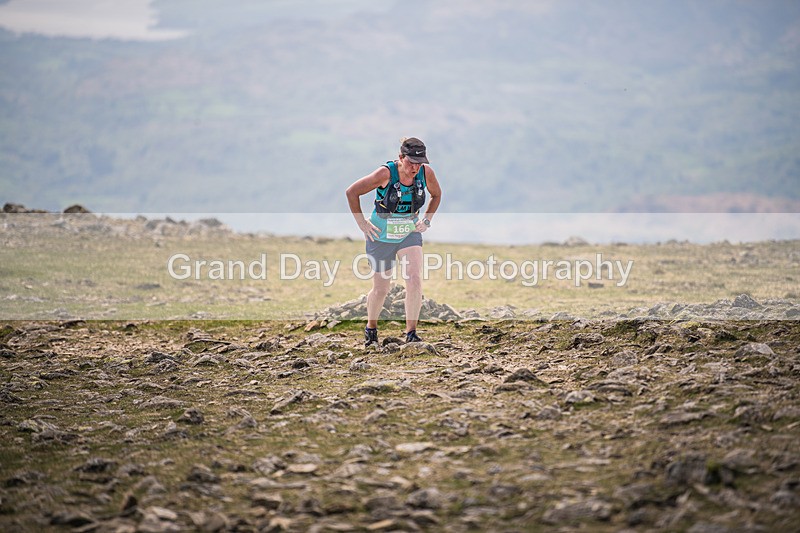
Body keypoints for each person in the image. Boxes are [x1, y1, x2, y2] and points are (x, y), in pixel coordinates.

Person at [345, 137, 442, 347]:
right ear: (400, 157)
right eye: (410, 162)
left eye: (420, 163)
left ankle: (411, 333)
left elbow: (436, 195)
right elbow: (351, 192)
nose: (415, 167)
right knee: (381, 289)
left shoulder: (426, 173)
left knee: (414, 279)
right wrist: (362, 224)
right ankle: (371, 328)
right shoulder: (385, 173)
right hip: (380, 236)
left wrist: (426, 220)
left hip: (409, 232)